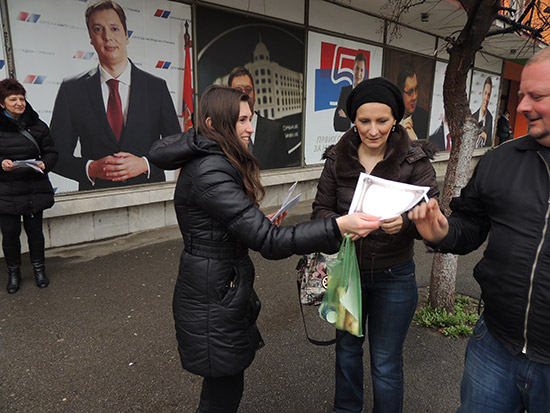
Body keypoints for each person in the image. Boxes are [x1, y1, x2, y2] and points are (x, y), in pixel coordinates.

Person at [148, 85, 381, 413]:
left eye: (250, 118)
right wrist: (338, 226)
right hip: (212, 294)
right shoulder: (211, 171)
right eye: (242, 120)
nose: (250, 127)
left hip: (215, 288)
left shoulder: (212, 160)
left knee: (224, 383)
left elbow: (229, 228)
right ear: (215, 124)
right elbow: (270, 244)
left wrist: (259, 224)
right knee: (221, 392)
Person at [408, 46, 550, 412]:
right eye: (522, 96)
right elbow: (470, 224)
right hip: (494, 346)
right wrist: (441, 232)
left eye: (537, 96)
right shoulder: (501, 160)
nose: (520, 107)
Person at [312, 77, 439, 413]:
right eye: (363, 121)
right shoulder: (337, 158)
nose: (372, 130)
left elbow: (436, 212)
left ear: (395, 118)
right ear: (352, 119)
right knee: (347, 354)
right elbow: (320, 210)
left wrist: (407, 223)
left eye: (382, 121)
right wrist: (339, 226)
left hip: (394, 276)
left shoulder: (414, 159)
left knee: (385, 362)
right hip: (346, 273)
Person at [50, 0, 180, 191]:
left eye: (114, 28)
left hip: (147, 197)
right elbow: (54, 156)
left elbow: (177, 147)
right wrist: (90, 168)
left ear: (126, 35)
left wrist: (145, 164)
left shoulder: (156, 87)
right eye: (98, 29)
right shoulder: (72, 90)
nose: (108, 37)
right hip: (95, 201)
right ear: (90, 38)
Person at [0, 79, 58, 293]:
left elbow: (52, 152)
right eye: (13, 99)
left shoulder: (37, 125)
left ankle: (39, 270)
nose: (19, 103)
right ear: (2, 103)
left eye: (22, 98)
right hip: (6, 191)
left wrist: (44, 163)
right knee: (10, 236)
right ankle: (13, 273)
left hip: (34, 188)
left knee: (35, 234)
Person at [228, 66, 290, 170]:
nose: (244, 94)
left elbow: (283, 173)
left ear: (255, 95)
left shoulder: (274, 130)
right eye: (238, 90)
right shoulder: (225, 130)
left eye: (248, 90)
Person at [333, 52, 367, 132]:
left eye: (362, 70)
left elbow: (367, 124)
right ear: (353, 69)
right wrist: (356, 122)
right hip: (347, 139)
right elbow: (337, 124)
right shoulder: (345, 91)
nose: (359, 73)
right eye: (357, 68)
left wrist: (347, 120)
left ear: (364, 73)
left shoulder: (367, 94)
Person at [397, 63, 429, 140]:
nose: (415, 97)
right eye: (410, 92)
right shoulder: (389, 116)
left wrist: (415, 140)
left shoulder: (424, 118)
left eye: (416, 89)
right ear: (400, 93)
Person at [473, 76, 494, 148]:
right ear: (482, 94)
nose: (486, 98)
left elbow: (489, 143)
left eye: (489, 95)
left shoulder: (489, 117)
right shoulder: (473, 117)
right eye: (485, 93)